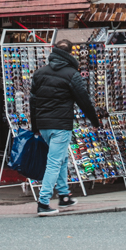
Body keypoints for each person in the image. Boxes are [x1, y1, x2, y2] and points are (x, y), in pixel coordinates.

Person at [28, 41, 102, 217]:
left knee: (60, 159)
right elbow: (83, 100)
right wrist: (95, 121)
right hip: (61, 125)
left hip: (44, 125)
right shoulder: (72, 74)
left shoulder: (39, 73)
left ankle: (63, 195)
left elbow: (33, 101)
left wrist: (35, 126)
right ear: (70, 53)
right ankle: (43, 202)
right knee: (54, 161)